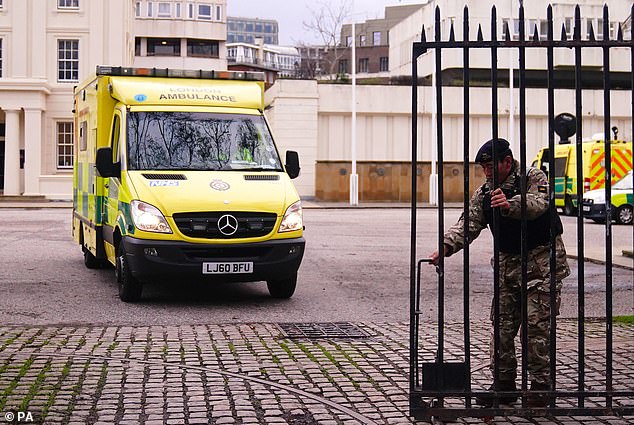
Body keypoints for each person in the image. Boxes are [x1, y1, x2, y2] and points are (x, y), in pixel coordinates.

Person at [429, 138, 570, 407]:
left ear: (508, 161)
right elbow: (468, 224)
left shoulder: (533, 176)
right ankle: (504, 385)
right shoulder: (485, 193)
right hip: (508, 269)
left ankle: (540, 388)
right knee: (501, 328)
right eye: (484, 168)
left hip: (540, 265)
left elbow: (539, 203)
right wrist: (445, 246)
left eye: (492, 166)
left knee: (536, 328)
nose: (488, 173)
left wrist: (510, 205)